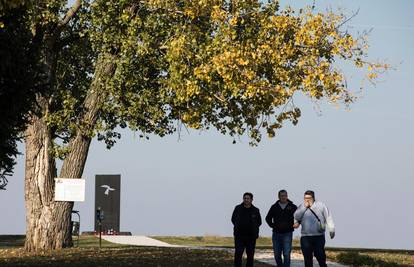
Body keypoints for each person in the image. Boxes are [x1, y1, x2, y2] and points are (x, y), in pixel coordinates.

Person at [293, 190, 335, 267]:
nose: (307, 200)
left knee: (320, 256)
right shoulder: (301, 206)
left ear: (313, 198)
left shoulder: (321, 205)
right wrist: (304, 208)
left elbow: (328, 217)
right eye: (305, 198)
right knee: (308, 259)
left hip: (318, 236)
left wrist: (332, 229)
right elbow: (296, 216)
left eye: (309, 198)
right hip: (305, 237)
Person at [265, 189, 297, 267]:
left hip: (287, 234)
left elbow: (298, 216)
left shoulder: (292, 206)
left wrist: (296, 223)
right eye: (281, 196)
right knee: (277, 254)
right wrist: (273, 225)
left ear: (287, 196)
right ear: (278, 197)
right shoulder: (274, 207)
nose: (283, 197)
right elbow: (268, 218)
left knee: (286, 254)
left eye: (285, 196)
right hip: (276, 234)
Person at [231, 192, 262, 267]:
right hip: (239, 236)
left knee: (250, 256)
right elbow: (233, 219)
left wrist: (254, 229)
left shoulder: (256, 210)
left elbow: (259, 222)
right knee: (238, 254)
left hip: (251, 237)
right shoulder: (238, 208)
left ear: (251, 200)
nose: (246, 200)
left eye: (248, 198)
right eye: (245, 198)